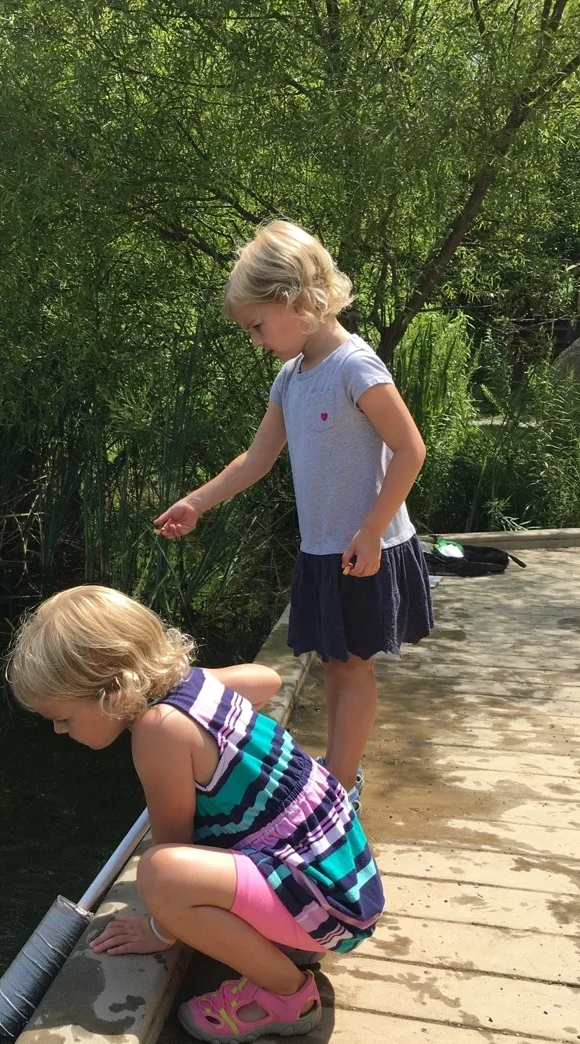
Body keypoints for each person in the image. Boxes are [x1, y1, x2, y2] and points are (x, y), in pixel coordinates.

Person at [6, 584, 384, 1044]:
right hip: (346, 881)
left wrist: (158, 929)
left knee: (158, 872)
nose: (60, 731)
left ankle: (286, 993)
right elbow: (267, 678)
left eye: (62, 718)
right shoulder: (196, 685)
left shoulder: (157, 731)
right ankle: (284, 949)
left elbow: (172, 855)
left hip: (324, 911)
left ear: (111, 692)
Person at [155, 221, 433, 803]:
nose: (256, 341)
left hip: (364, 545)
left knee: (352, 666)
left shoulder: (354, 367)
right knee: (336, 662)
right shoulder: (291, 377)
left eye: (258, 326)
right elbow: (257, 458)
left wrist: (373, 530)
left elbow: (410, 449)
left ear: (299, 301)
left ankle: (339, 783)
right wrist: (196, 501)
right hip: (324, 548)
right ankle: (339, 769)